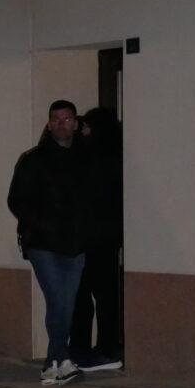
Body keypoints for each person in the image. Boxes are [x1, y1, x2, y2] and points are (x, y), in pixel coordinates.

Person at [7, 100, 90, 386]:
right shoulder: (33, 159)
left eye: (67, 119)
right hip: (43, 244)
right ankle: (57, 360)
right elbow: (17, 200)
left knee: (66, 304)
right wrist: (42, 225)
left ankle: (56, 361)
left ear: (76, 123)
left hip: (75, 244)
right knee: (57, 300)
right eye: (56, 119)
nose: (61, 124)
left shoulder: (85, 157)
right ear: (48, 122)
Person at [69, 105, 124, 371]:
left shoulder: (100, 158)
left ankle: (104, 348)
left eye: (87, 127)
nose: (83, 131)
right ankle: (101, 347)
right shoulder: (107, 156)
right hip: (99, 239)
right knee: (99, 296)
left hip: (96, 239)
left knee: (99, 296)